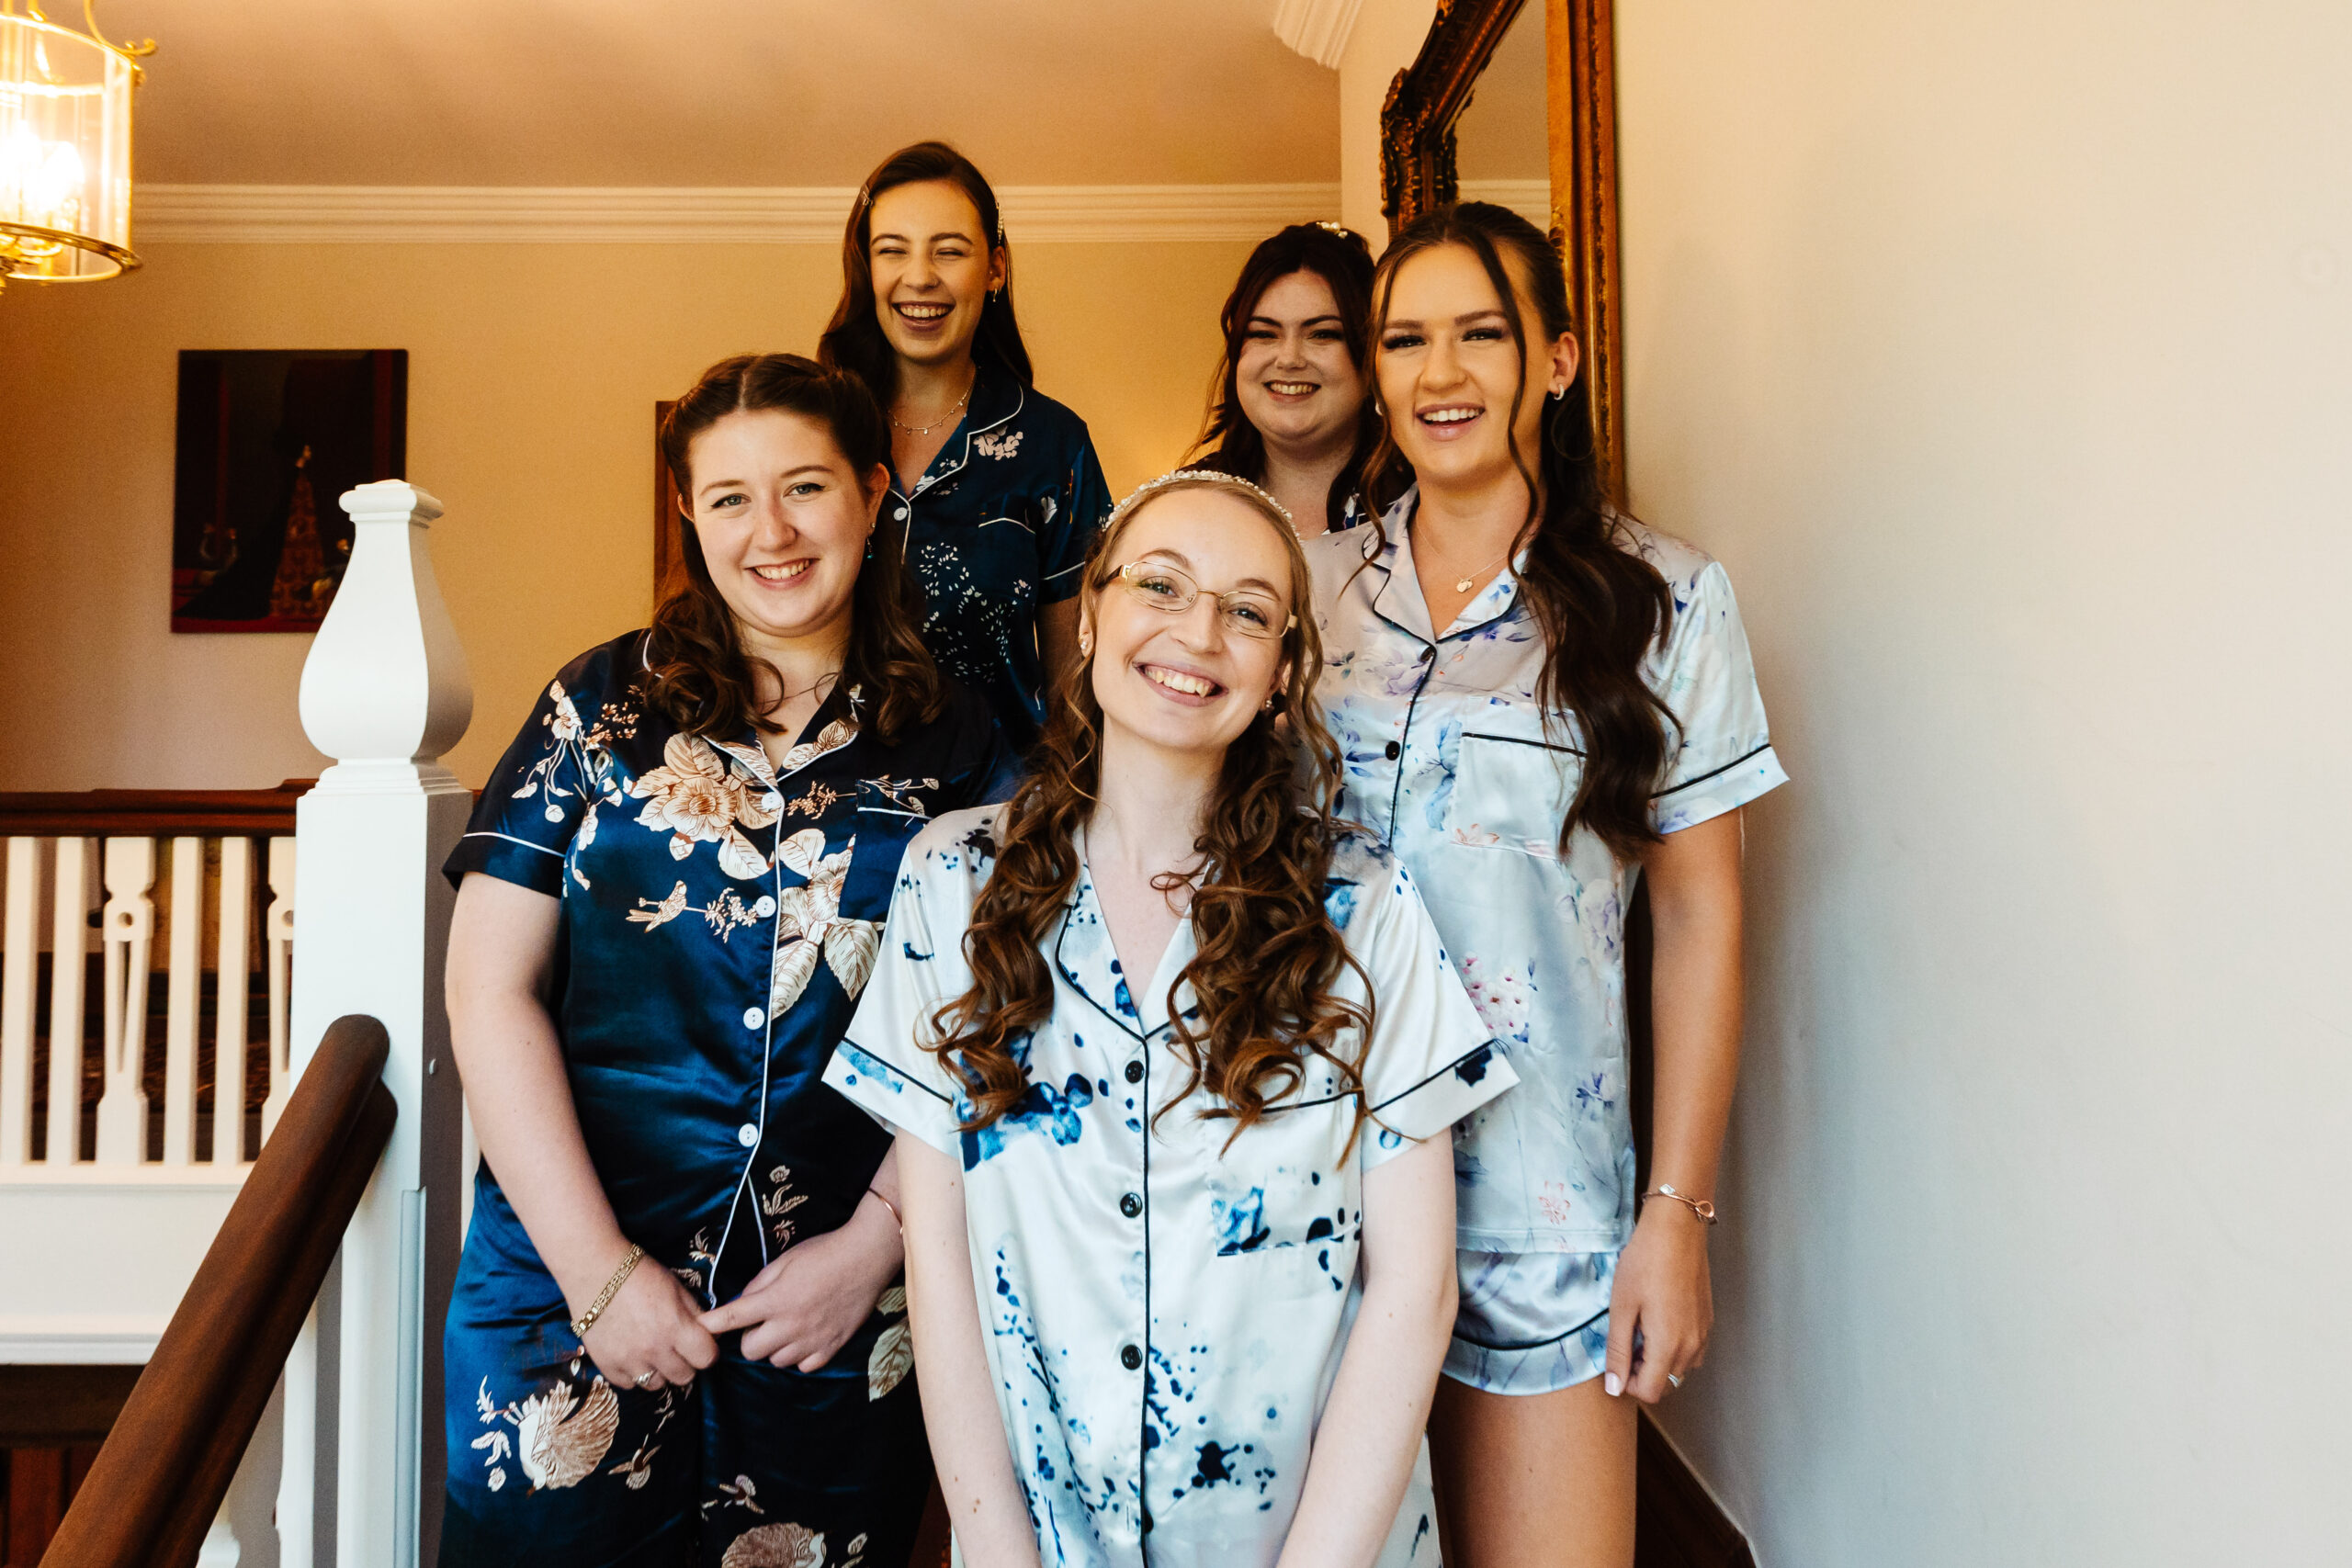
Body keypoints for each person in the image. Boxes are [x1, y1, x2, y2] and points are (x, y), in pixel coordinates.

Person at [821, 470, 1520, 1568]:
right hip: (1045, 1540)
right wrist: (994, 1546)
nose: (1198, 632)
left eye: (1247, 610)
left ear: (1284, 670)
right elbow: (940, 1252)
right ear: (1091, 612)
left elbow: (1415, 1284)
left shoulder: (1365, 906)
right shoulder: (950, 881)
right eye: (1160, 585)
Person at [436, 354, 1017, 1566]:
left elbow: (995, 1019)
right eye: (730, 497)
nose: (773, 532)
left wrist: (873, 1243)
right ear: (689, 513)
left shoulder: (969, 743)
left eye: (805, 486)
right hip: (564, 1287)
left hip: (837, 1308)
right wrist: (599, 1273)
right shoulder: (594, 708)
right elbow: (487, 989)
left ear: (872, 492)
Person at [1305, 203, 1787, 1568]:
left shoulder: (1665, 600)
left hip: (1545, 1205)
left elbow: (1702, 915)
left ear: (1559, 359)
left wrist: (1675, 1219)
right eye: (1405, 338)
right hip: (1306, 1194)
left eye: (1481, 334)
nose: (1438, 373)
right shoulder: (1303, 588)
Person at [820, 140, 1114, 753]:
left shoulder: (1053, 445)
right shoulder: (817, 427)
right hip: (820, 813)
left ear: (995, 267)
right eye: (892, 251)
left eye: (949, 251)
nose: (919, 276)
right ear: (865, 269)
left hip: (991, 814)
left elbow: (1077, 688)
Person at [1190, 222, 1382, 537]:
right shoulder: (1183, 505)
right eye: (1264, 334)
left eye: (1323, 334)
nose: (1290, 359)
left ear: (1369, 354)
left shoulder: (1426, 504)